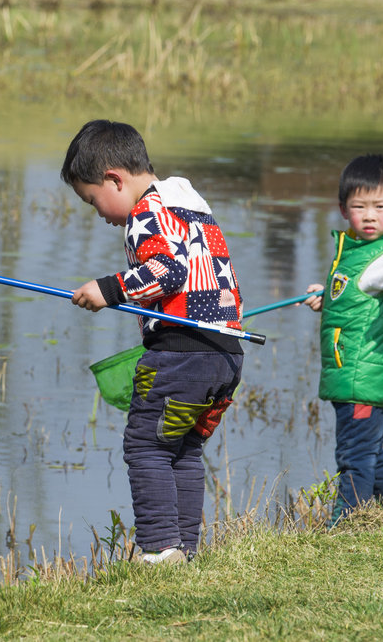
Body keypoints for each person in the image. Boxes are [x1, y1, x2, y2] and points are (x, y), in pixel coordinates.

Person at [60, 119, 245, 564]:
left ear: (114, 179)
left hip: (183, 354)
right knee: (181, 448)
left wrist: (109, 289)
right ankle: (183, 550)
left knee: (146, 445)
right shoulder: (189, 201)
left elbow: (169, 272)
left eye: (92, 200)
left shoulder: (145, 214)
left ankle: (161, 549)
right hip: (225, 354)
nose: (99, 213)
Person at [301, 154, 383, 526]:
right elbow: (360, 296)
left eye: (380, 207)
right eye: (359, 206)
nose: (369, 216)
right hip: (353, 371)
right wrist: (329, 297)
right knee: (371, 451)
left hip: (361, 375)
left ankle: (342, 530)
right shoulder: (355, 251)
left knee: (354, 457)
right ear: (342, 209)